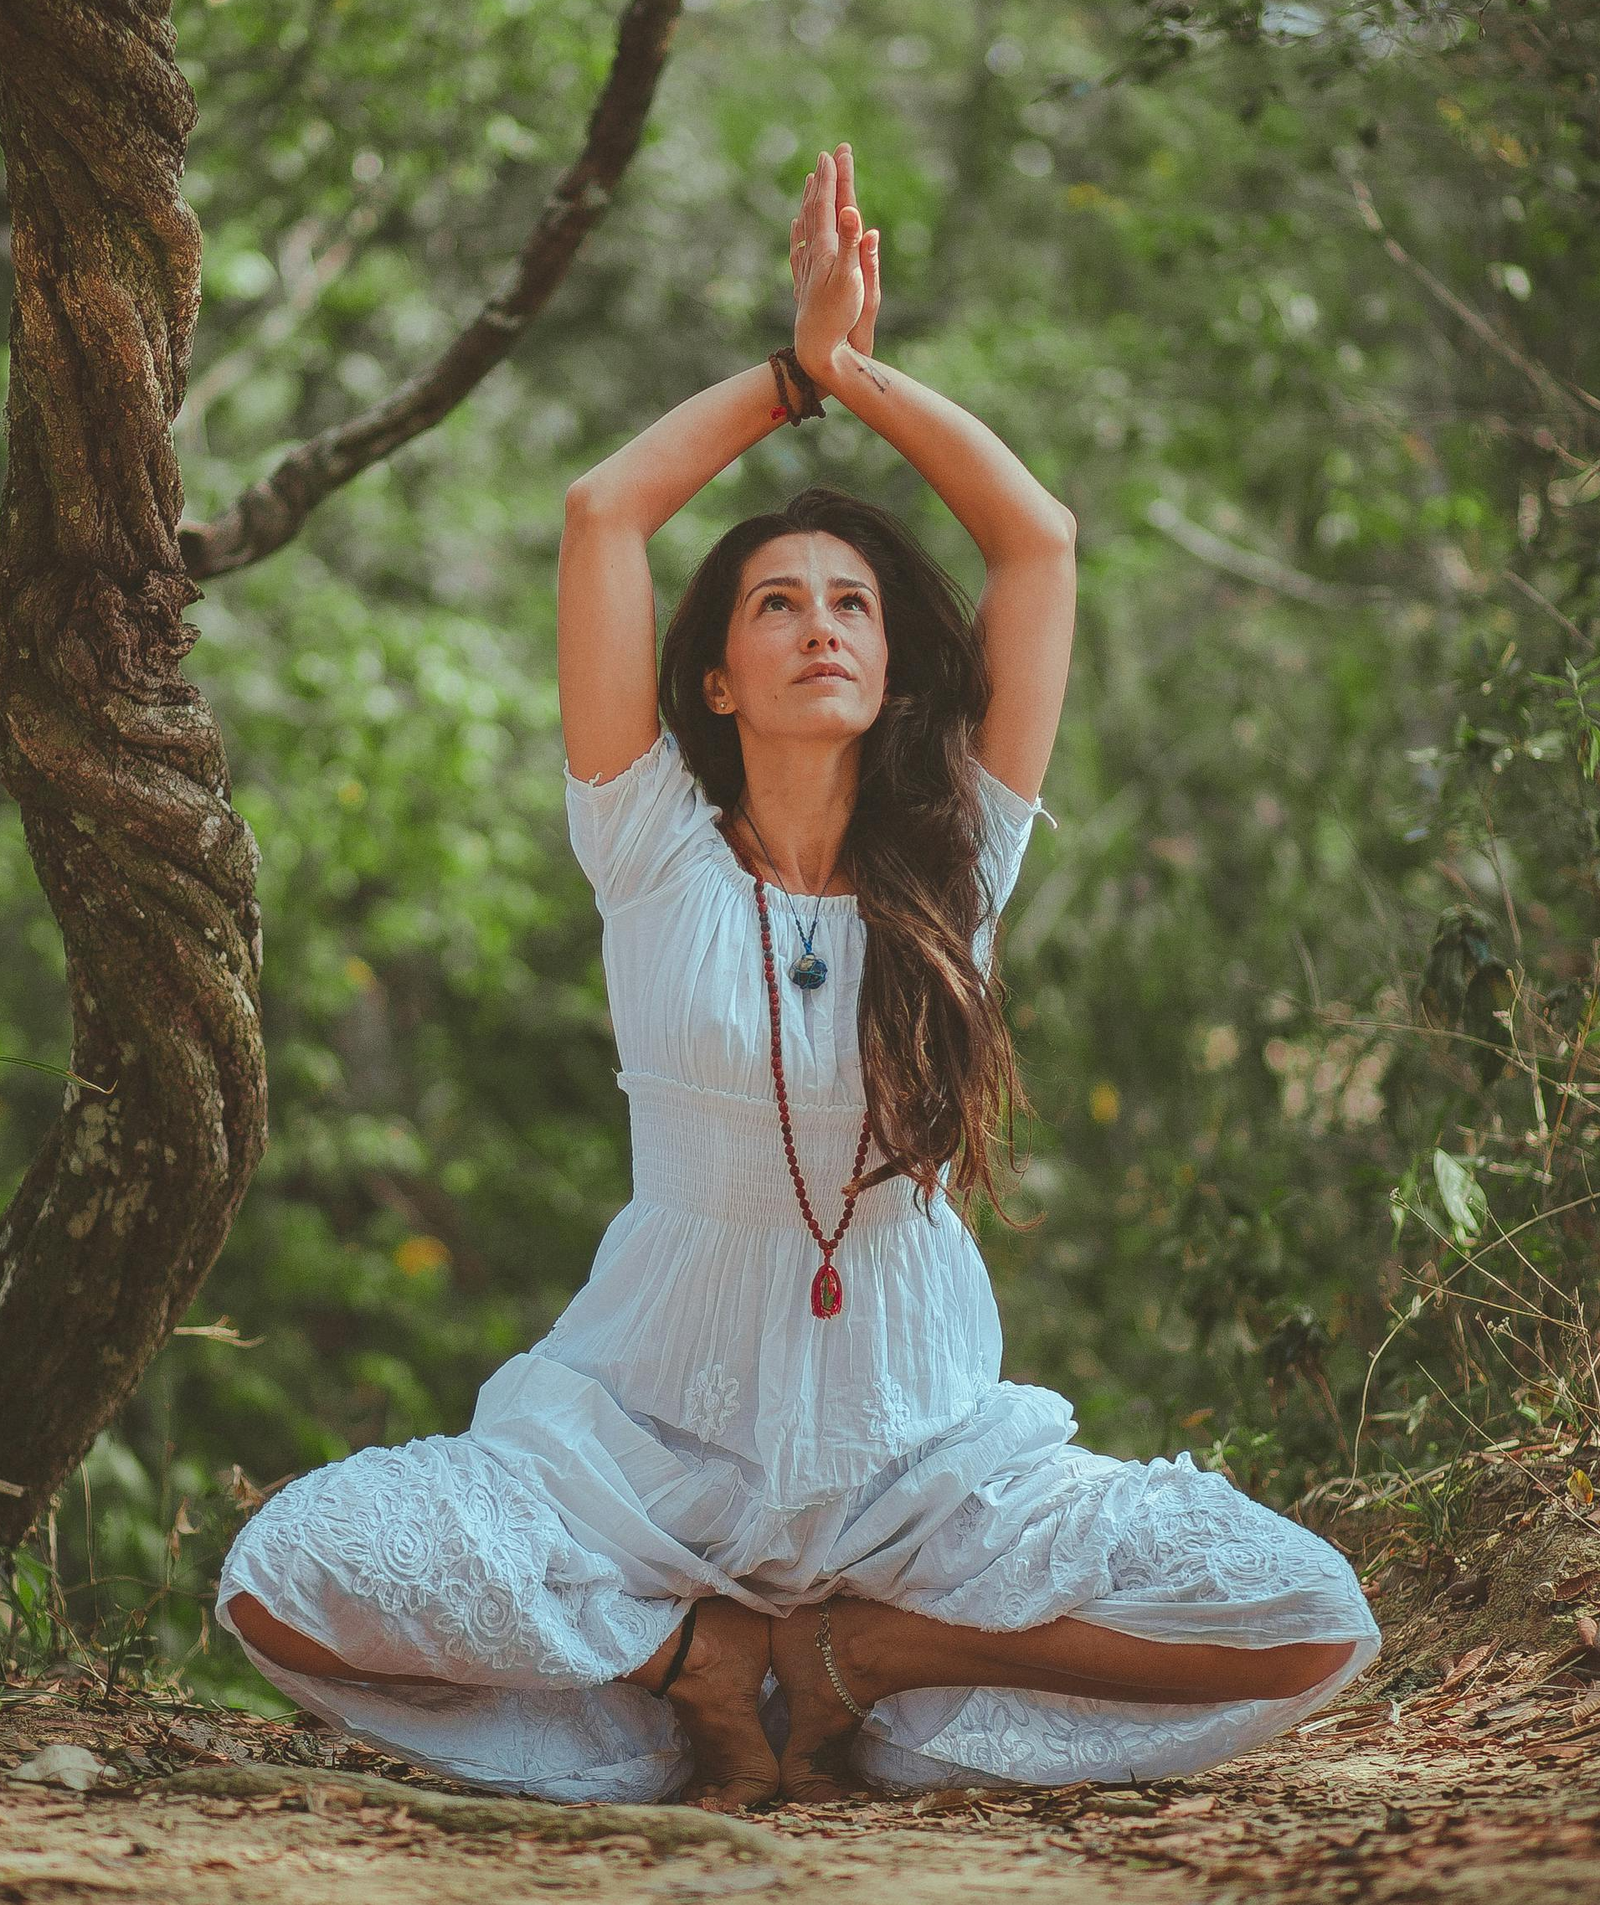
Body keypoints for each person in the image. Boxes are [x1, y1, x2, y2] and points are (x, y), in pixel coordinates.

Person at [215, 142, 1380, 1812]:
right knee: (283, 1575)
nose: (822, 621)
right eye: (777, 602)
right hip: (640, 1454)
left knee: (1302, 1616)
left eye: (852, 601)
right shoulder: (652, 848)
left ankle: (862, 1660)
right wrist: (781, 381)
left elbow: (1037, 544)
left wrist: (860, 375)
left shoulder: (958, 859)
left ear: (896, 661)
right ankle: (688, 1658)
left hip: (917, 1460)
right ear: (717, 669)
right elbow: (603, 510)